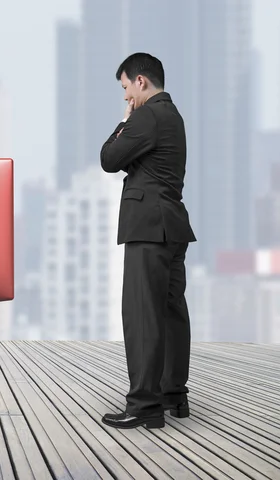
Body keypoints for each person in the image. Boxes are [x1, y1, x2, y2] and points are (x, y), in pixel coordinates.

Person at [99, 53, 197, 429]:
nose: (126, 98)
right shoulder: (173, 116)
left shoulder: (146, 115)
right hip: (172, 226)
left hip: (148, 227)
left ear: (141, 81)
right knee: (171, 312)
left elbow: (110, 158)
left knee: (142, 315)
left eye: (126, 87)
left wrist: (122, 124)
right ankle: (174, 395)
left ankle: (144, 405)